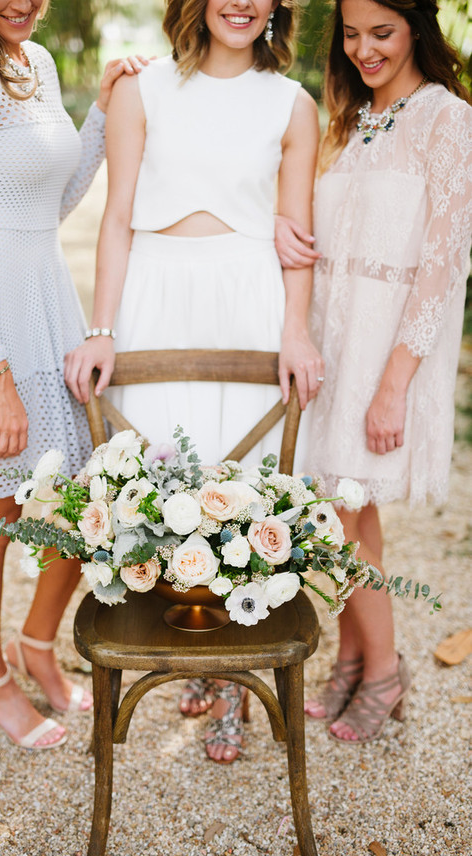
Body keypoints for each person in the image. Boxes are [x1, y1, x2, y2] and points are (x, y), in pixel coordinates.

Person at [64, 0, 324, 762]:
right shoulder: (140, 90)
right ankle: (179, 633)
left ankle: (235, 687)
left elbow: (297, 235)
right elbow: (115, 219)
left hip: (247, 296)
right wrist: (103, 327)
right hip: (156, 290)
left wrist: (296, 329)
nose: (240, 3)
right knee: (162, 476)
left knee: (242, 478)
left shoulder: (292, 104)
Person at [0, 0, 148, 749]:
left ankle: (37, 644)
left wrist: (102, 115)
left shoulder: (34, 62)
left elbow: (52, 201)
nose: (25, 3)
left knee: (80, 499)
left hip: (46, 308)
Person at [293, 0, 471, 743]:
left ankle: (385, 670)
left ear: (417, 30)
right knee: (343, 510)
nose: (365, 50)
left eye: (383, 33)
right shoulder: (355, 117)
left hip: (387, 350)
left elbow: (442, 263)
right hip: (333, 342)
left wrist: (395, 382)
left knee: (348, 512)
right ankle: (356, 658)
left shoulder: (447, 119)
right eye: (354, 34)